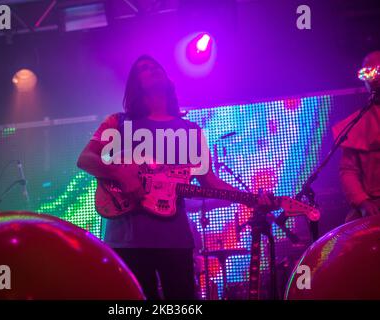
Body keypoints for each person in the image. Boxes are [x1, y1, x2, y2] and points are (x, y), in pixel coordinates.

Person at [77, 55, 273, 300]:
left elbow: (210, 182)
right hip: (126, 241)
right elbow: (85, 159)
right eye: (144, 69)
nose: (153, 70)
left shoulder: (191, 131)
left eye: (156, 67)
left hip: (175, 239)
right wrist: (120, 173)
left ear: (169, 81)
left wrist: (251, 198)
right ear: (135, 84)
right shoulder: (117, 122)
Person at [333, 51, 380, 222]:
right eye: (367, 72)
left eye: (379, 71)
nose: (374, 78)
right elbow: (348, 171)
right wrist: (363, 202)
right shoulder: (358, 122)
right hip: (373, 206)